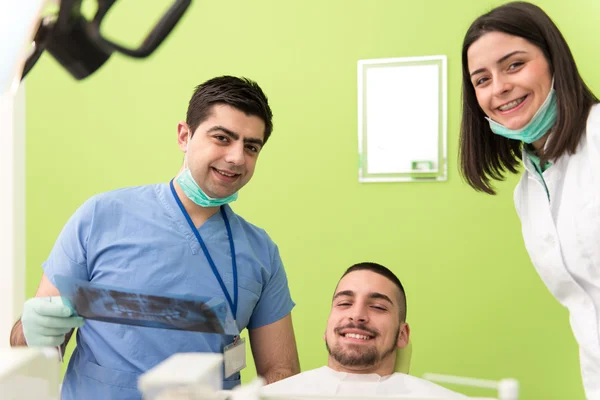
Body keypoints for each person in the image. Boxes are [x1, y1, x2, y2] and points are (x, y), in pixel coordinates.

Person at [9, 76, 300, 399]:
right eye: (222, 138)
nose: (236, 157)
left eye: (251, 147)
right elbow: (29, 347)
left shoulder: (261, 252)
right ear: (184, 136)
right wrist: (32, 332)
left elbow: (281, 372)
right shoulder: (100, 217)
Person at [459, 2, 600, 398]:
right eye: (481, 79)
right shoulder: (529, 191)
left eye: (514, 65)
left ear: (555, 61)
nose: (499, 87)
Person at [261, 262, 466, 398]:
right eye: (344, 303)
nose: (357, 315)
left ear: (402, 334)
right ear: (327, 328)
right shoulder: (270, 396)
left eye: (377, 307)